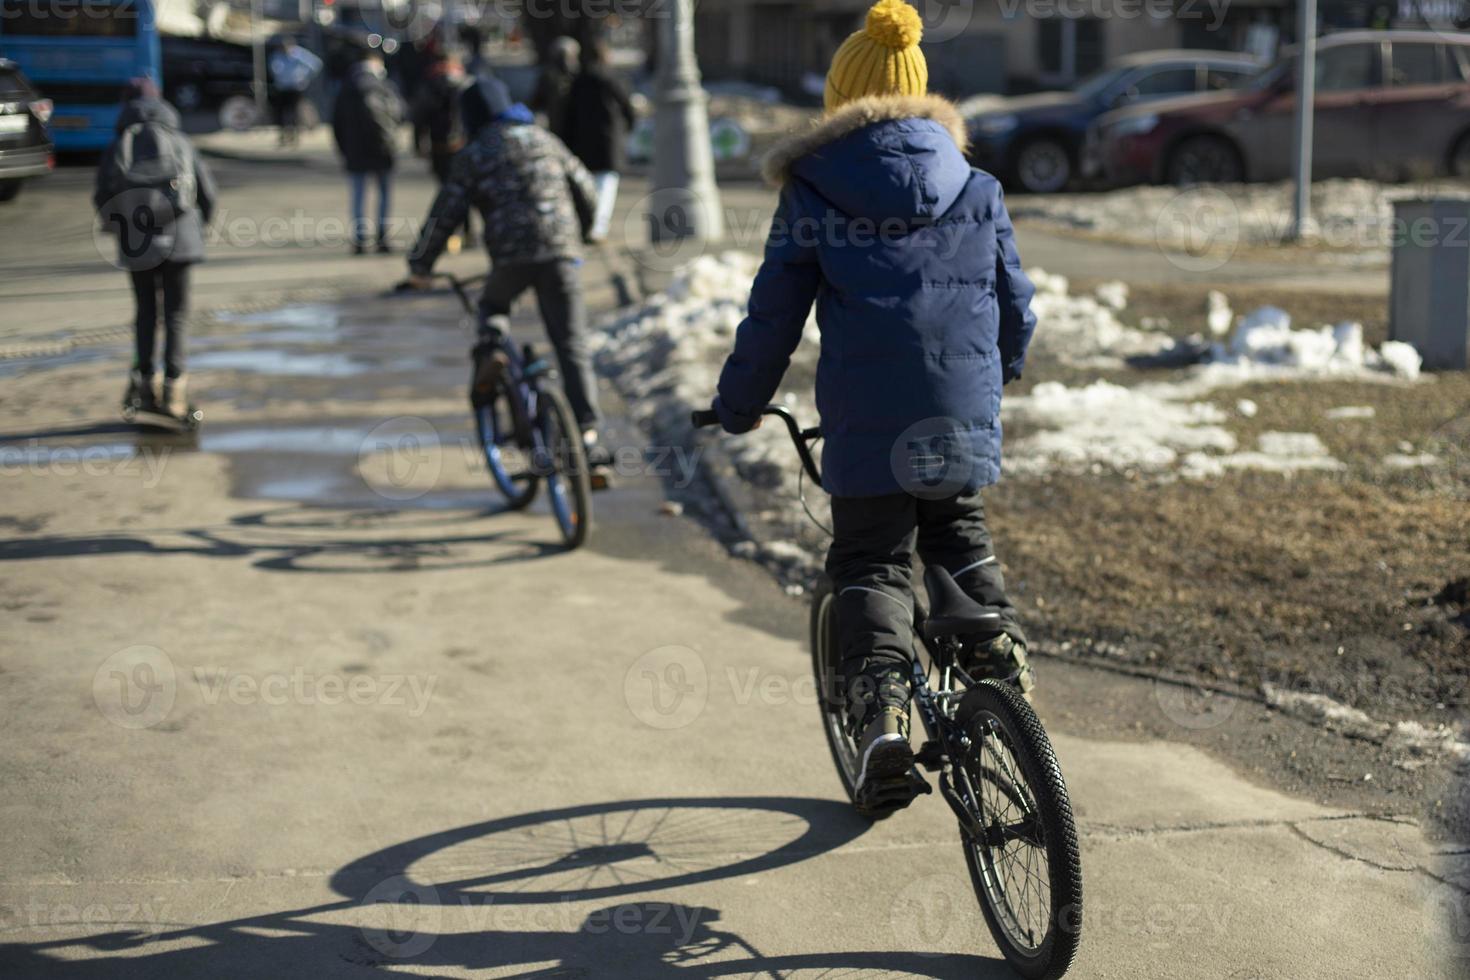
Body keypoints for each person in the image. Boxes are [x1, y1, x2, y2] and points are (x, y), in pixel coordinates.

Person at [708, 0, 1038, 803]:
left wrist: (741, 401)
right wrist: (998, 372)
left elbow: (773, 315)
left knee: (871, 559)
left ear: (840, 99)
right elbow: (1016, 304)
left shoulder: (816, 188)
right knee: (955, 533)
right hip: (958, 413)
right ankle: (998, 663)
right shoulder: (977, 185)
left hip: (867, 424)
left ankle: (882, 710)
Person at [405, 78, 612, 473]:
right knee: (571, 345)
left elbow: (445, 213)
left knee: (493, 306)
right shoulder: (544, 139)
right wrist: (584, 232)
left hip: (511, 259)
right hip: (562, 255)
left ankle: (495, 348)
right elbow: (585, 187)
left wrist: (420, 267)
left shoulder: (475, 153)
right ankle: (588, 438)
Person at [94, 84, 217, 418]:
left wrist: (121, 226)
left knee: (146, 313)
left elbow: (103, 197)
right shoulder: (181, 141)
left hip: (137, 241)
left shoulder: (119, 144)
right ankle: (175, 391)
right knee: (176, 316)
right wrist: (199, 226)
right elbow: (207, 193)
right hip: (182, 238)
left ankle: (146, 385)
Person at [560, 38, 634, 241]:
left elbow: (569, 116)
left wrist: (567, 140)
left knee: (588, 186)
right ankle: (597, 228)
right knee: (605, 188)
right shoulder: (613, 79)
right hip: (609, 142)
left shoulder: (578, 82)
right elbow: (628, 109)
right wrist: (628, 128)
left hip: (583, 143)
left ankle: (588, 224)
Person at [332, 48, 404, 255]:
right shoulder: (382, 85)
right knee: (383, 193)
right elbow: (396, 112)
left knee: (358, 194)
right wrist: (389, 139)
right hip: (381, 148)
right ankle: (382, 237)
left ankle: (360, 239)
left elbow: (336, 121)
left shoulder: (346, 86)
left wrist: (343, 148)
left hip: (355, 150)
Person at [411, 37, 472, 251]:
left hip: (439, 146)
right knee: (466, 191)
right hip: (464, 145)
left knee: (446, 192)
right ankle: (468, 232)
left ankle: (451, 235)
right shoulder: (466, 83)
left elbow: (419, 116)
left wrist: (418, 143)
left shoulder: (429, 83)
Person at [268, 36, 322, 146]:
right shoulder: (277, 55)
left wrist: (305, 77)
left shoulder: (298, 54)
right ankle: (284, 134)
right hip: (282, 88)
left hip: (296, 88)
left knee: (294, 112)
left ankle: (295, 135)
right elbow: (273, 68)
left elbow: (315, 64)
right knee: (281, 111)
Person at [529, 35, 579, 139]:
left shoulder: (579, 76)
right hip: (560, 124)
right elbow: (537, 101)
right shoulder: (549, 76)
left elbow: (536, 101)